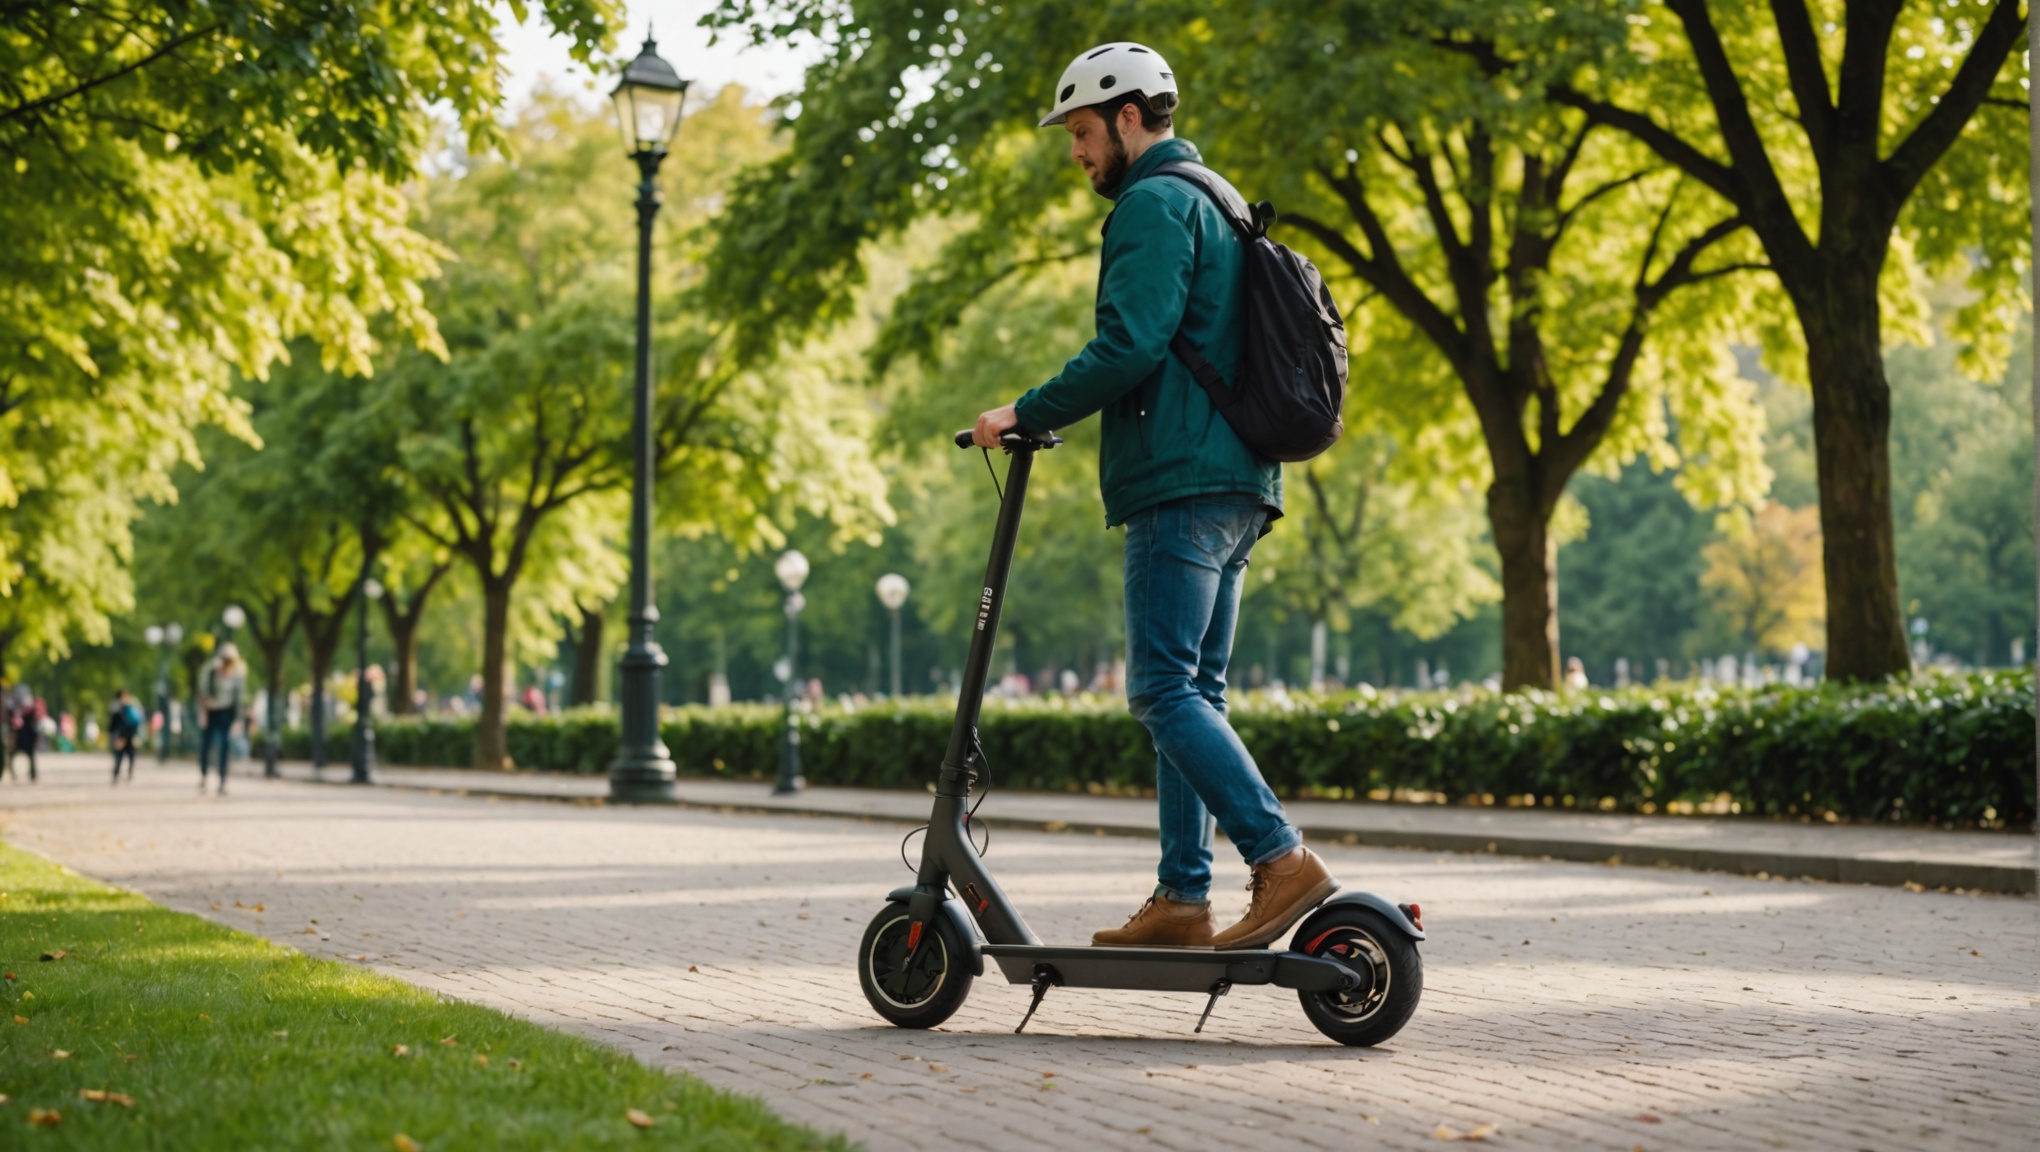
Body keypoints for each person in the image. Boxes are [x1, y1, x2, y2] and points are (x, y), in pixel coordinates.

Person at [971, 42, 1336, 951]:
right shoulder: (1218, 197)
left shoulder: (1151, 204)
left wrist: (1024, 411)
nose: (1077, 152)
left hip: (1181, 478)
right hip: (1242, 480)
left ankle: (1280, 858)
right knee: (1193, 693)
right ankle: (1181, 897)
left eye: (1085, 132)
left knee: (1163, 691)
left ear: (1131, 117)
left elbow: (1128, 344)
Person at [196, 644, 247, 794]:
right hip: (211, 711)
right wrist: (203, 711)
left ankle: (222, 781)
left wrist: (238, 719)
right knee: (207, 744)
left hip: (227, 712)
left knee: (225, 746)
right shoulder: (211, 671)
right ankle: (204, 775)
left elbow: (239, 698)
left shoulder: (238, 674)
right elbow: (202, 692)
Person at [6, 685, 45, 783]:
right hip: (24, 735)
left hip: (23, 735)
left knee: (21, 756)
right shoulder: (26, 705)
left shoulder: (20, 706)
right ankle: (31, 775)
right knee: (28, 756)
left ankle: (30, 774)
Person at [108, 689, 143, 783]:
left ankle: (117, 775)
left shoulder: (117, 709)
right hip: (130, 735)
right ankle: (128, 773)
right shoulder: (134, 708)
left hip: (121, 736)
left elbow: (112, 725)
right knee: (131, 756)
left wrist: (112, 735)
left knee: (119, 757)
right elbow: (139, 722)